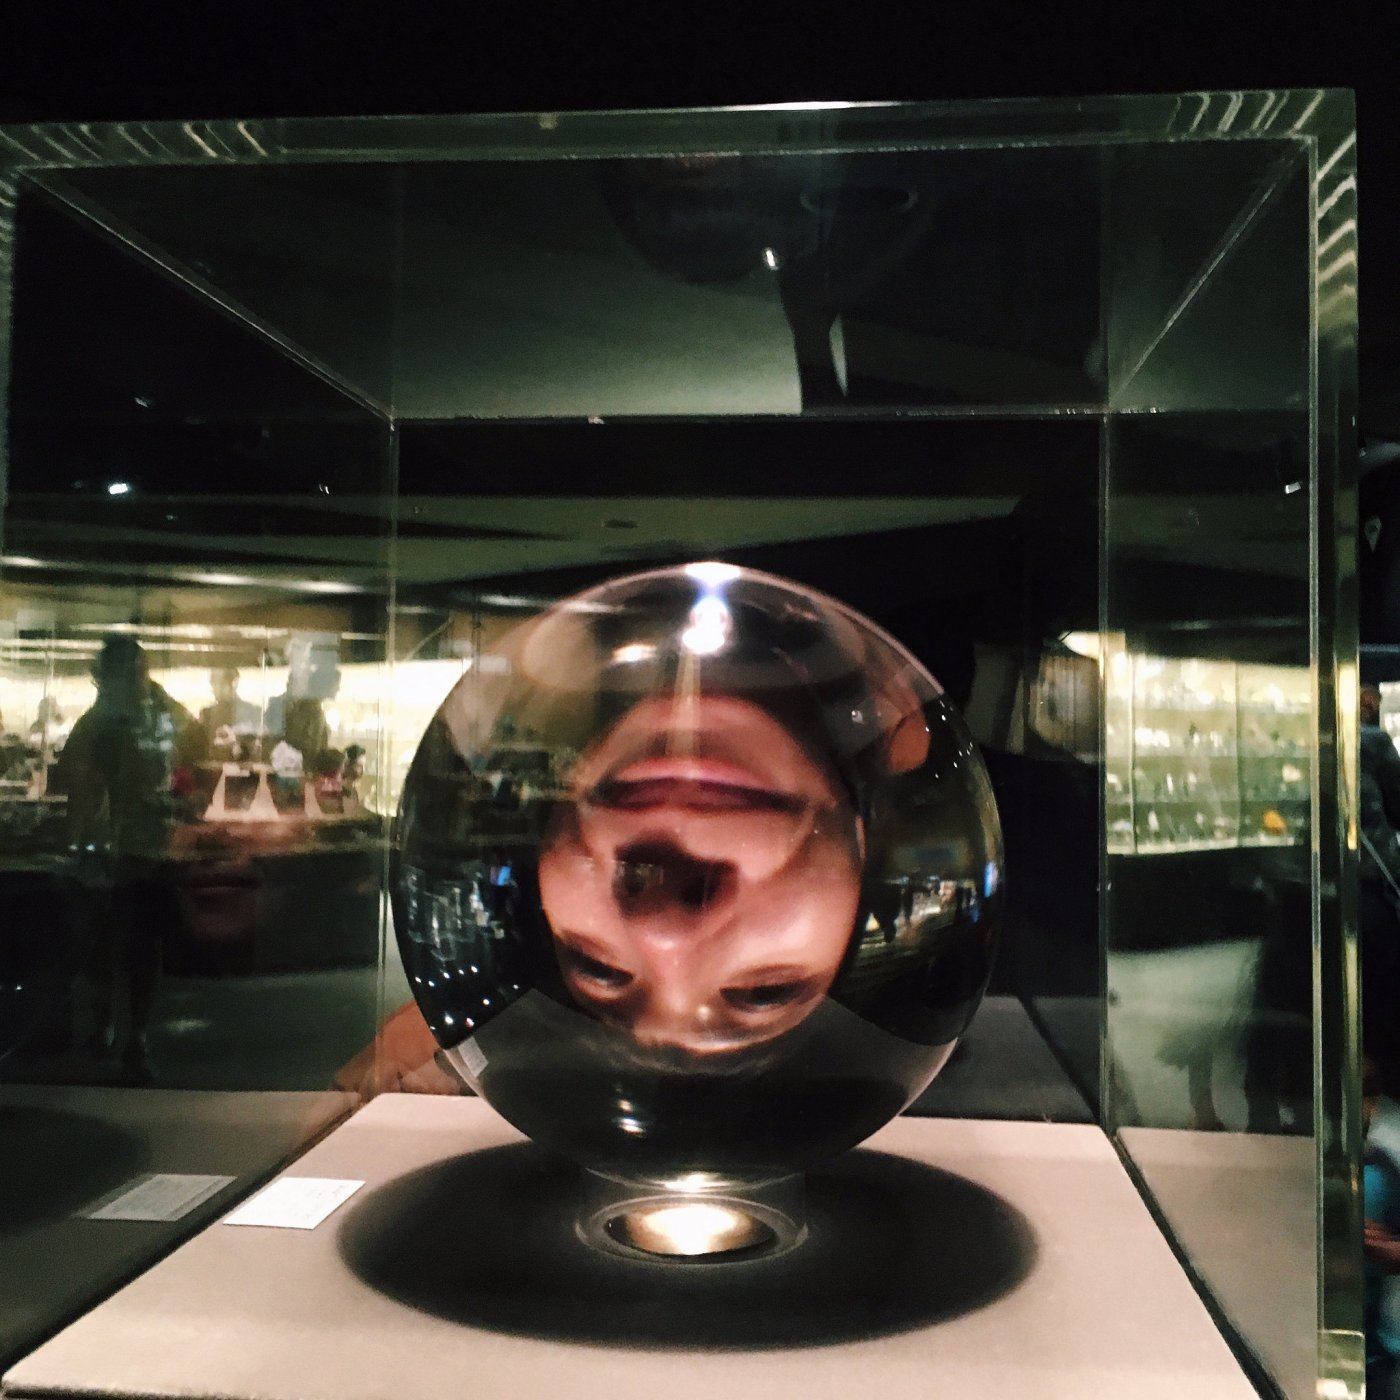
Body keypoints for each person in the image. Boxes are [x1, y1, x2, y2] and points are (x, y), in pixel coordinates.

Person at [56, 635, 204, 1079]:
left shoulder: (154, 715)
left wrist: (181, 801)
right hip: (113, 851)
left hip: (138, 850)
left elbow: (193, 762)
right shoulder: (106, 721)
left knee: (134, 947)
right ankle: (112, 1030)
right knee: (108, 947)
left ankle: (130, 1035)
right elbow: (78, 784)